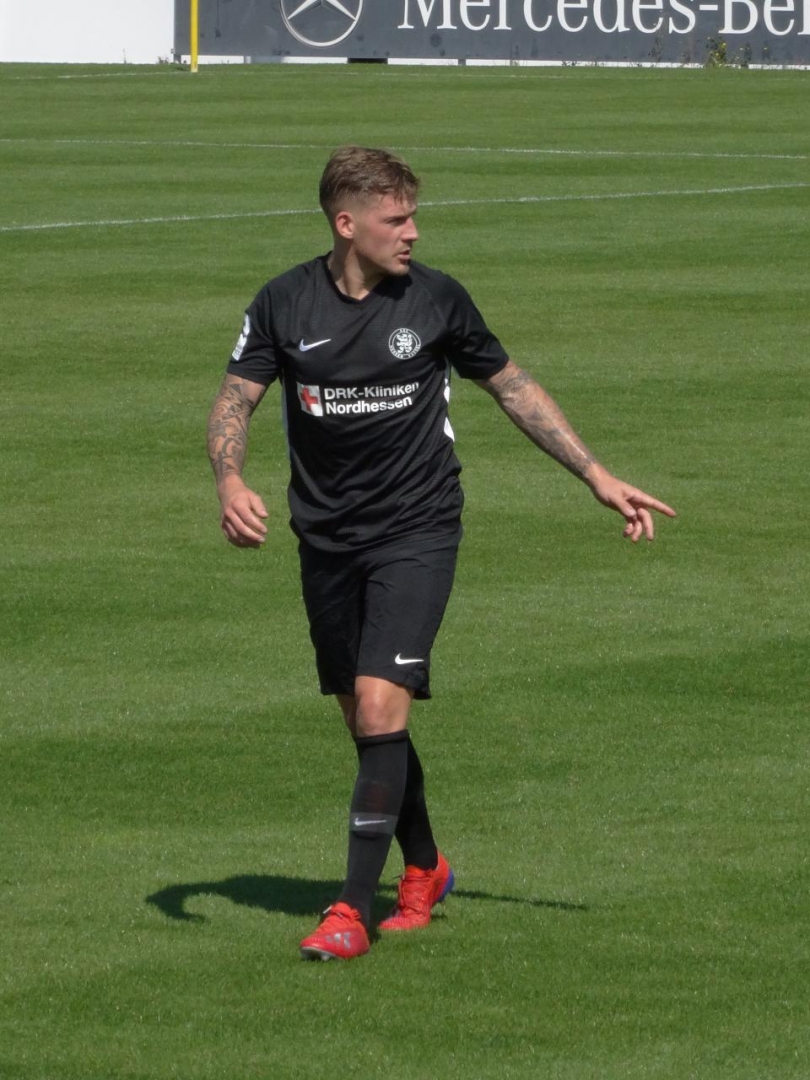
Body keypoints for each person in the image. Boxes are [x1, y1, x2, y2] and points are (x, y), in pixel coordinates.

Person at [206, 145, 676, 962]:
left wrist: (595, 474)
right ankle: (425, 864)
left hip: (418, 529)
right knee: (364, 718)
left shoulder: (435, 299)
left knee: (380, 705)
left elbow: (512, 386)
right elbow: (234, 401)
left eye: (414, 216)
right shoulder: (283, 302)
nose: (413, 232)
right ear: (346, 223)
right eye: (396, 219)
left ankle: (351, 911)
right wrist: (229, 480)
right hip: (325, 537)